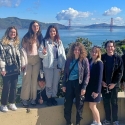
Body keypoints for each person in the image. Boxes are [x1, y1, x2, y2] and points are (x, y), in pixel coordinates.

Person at [62, 42, 90, 125]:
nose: (77, 51)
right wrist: (64, 85)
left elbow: (87, 74)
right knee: (67, 104)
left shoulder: (84, 60)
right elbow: (65, 74)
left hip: (79, 84)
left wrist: (84, 87)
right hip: (69, 83)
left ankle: (78, 123)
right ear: (72, 50)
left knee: (79, 105)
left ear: (81, 51)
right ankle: (68, 122)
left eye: (78, 50)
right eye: (75, 49)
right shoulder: (69, 60)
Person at [38, 25, 66, 106]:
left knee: (55, 83)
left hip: (58, 66)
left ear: (56, 32)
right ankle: (49, 98)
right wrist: (43, 53)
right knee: (49, 83)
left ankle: (53, 97)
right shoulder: (44, 41)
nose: (52, 33)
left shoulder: (59, 42)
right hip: (48, 66)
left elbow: (63, 55)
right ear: (48, 32)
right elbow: (40, 54)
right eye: (50, 31)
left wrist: (63, 66)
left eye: (54, 31)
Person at [20, 20, 43, 107]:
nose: (36, 27)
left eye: (37, 26)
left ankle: (33, 99)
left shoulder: (40, 37)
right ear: (31, 27)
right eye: (34, 26)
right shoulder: (26, 37)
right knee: (26, 80)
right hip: (28, 60)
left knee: (34, 81)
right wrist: (23, 63)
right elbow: (23, 51)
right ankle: (24, 99)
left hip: (37, 60)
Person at [101, 40, 123, 125]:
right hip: (104, 84)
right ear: (106, 48)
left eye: (111, 46)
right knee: (106, 103)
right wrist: (102, 82)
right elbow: (99, 71)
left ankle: (115, 120)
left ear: (114, 47)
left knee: (114, 102)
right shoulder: (102, 58)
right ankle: (107, 119)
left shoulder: (118, 58)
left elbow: (120, 72)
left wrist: (114, 83)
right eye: (108, 46)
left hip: (114, 85)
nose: (110, 48)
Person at [0, 26, 21, 112]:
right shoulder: (2, 43)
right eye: (11, 32)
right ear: (8, 33)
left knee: (14, 86)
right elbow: (1, 57)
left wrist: (21, 66)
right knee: (6, 86)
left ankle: (12, 103)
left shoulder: (16, 43)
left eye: (14, 32)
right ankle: (3, 104)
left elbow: (18, 56)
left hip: (15, 68)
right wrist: (2, 68)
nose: (13, 34)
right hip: (7, 68)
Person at [85, 46, 103, 125]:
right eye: (92, 51)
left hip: (95, 89)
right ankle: (94, 121)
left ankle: (98, 123)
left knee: (93, 106)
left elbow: (99, 78)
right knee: (91, 106)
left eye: (96, 52)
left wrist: (97, 91)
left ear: (98, 53)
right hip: (89, 88)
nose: (94, 53)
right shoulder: (89, 61)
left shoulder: (99, 63)